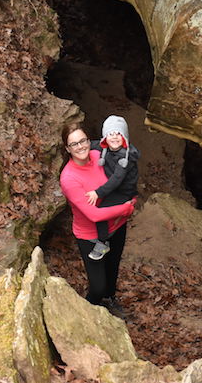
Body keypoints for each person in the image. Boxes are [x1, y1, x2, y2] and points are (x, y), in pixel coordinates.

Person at [59, 121, 135, 315]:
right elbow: (93, 214)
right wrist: (124, 209)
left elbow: (120, 156)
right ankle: (87, 313)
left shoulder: (98, 154)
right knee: (98, 287)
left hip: (116, 227)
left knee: (113, 268)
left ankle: (110, 301)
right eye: (74, 144)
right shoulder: (69, 178)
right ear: (67, 148)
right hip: (91, 235)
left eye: (83, 140)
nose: (81, 146)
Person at [85, 115, 140, 260]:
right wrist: (81, 144)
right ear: (105, 138)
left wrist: (98, 192)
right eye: (110, 134)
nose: (114, 137)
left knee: (101, 212)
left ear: (124, 138)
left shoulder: (124, 158)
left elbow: (116, 180)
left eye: (118, 134)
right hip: (114, 186)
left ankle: (103, 242)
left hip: (123, 191)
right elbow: (92, 144)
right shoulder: (105, 147)